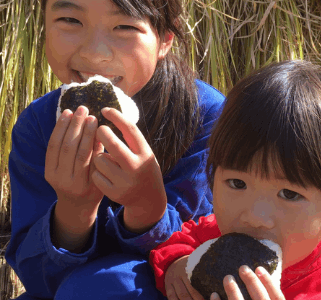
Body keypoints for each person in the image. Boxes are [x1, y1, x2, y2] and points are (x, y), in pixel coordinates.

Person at [5, 0, 225, 299]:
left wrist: (147, 208)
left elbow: (195, 262)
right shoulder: (38, 125)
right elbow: (37, 279)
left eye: (124, 26)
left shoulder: (205, 116)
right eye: (70, 20)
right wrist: (74, 210)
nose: (94, 53)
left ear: (164, 40)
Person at [149, 60, 321, 300]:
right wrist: (178, 263)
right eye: (237, 183)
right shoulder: (214, 235)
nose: (254, 217)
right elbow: (181, 238)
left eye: (289, 194)